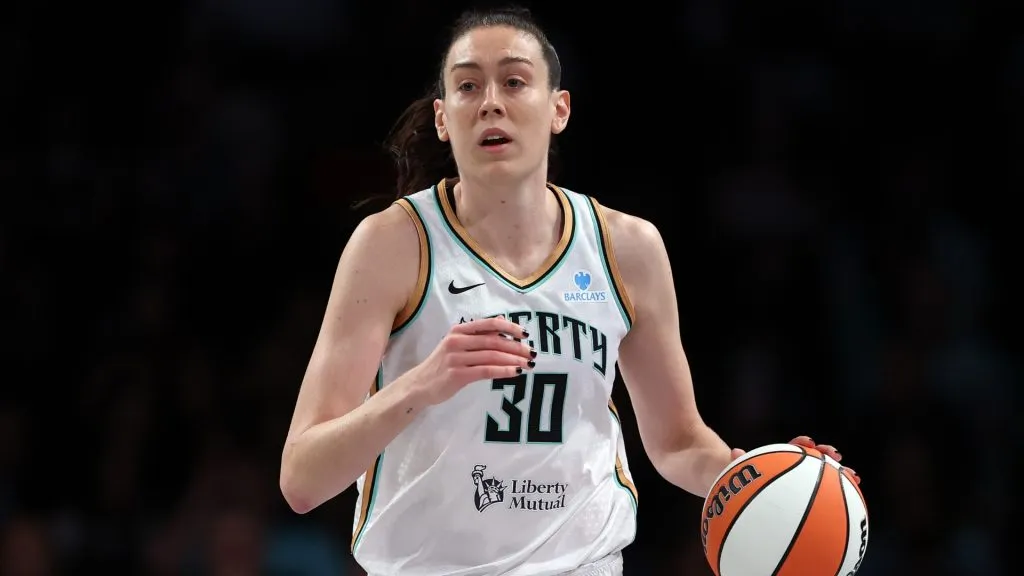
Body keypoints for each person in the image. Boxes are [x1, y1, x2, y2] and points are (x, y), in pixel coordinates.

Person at [279, 6, 856, 575]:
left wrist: (767, 475)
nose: (490, 102)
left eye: (514, 81)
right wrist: (422, 385)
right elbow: (302, 479)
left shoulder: (627, 248)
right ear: (442, 118)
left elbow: (679, 443)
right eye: (467, 86)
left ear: (559, 109)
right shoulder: (393, 244)